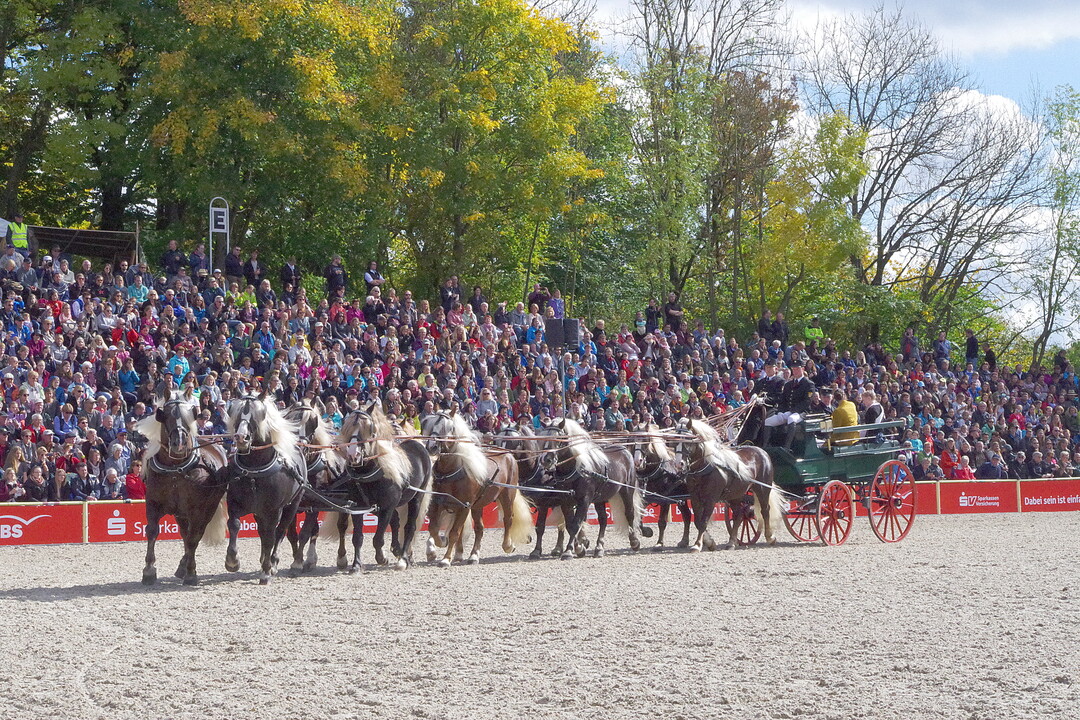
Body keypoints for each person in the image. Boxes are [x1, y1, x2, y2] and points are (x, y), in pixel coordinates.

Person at [763, 363, 814, 448]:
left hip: (802, 412)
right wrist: (780, 411)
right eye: (793, 369)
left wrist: (793, 410)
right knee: (768, 421)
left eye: (797, 369)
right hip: (789, 411)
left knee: (791, 418)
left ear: (802, 369)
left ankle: (787, 447)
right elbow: (783, 400)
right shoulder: (788, 384)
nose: (795, 371)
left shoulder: (808, 384)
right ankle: (766, 446)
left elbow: (807, 401)